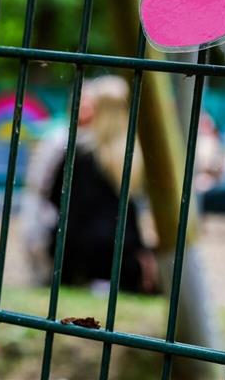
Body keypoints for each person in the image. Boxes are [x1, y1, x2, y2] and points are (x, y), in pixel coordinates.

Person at [31, 76, 157, 294]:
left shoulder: (79, 152)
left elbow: (54, 197)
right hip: (120, 258)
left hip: (74, 256)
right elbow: (133, 216)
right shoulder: (134, 156)